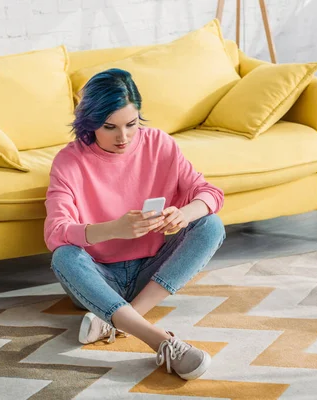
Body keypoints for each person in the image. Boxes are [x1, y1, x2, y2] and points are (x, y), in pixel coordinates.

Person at [44, 68, 226, 381]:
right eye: (109, 127)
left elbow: (210, 193)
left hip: (150, 272)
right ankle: (162, 342)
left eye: (131, 124)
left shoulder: (160, 145)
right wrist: (114, 228)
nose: (124, 137)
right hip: (99, 279)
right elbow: (56, 231)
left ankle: (118, 319)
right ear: (90, 123)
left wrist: (185, 213)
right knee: (64, 257)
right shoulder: (69, 161)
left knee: (210, 224)